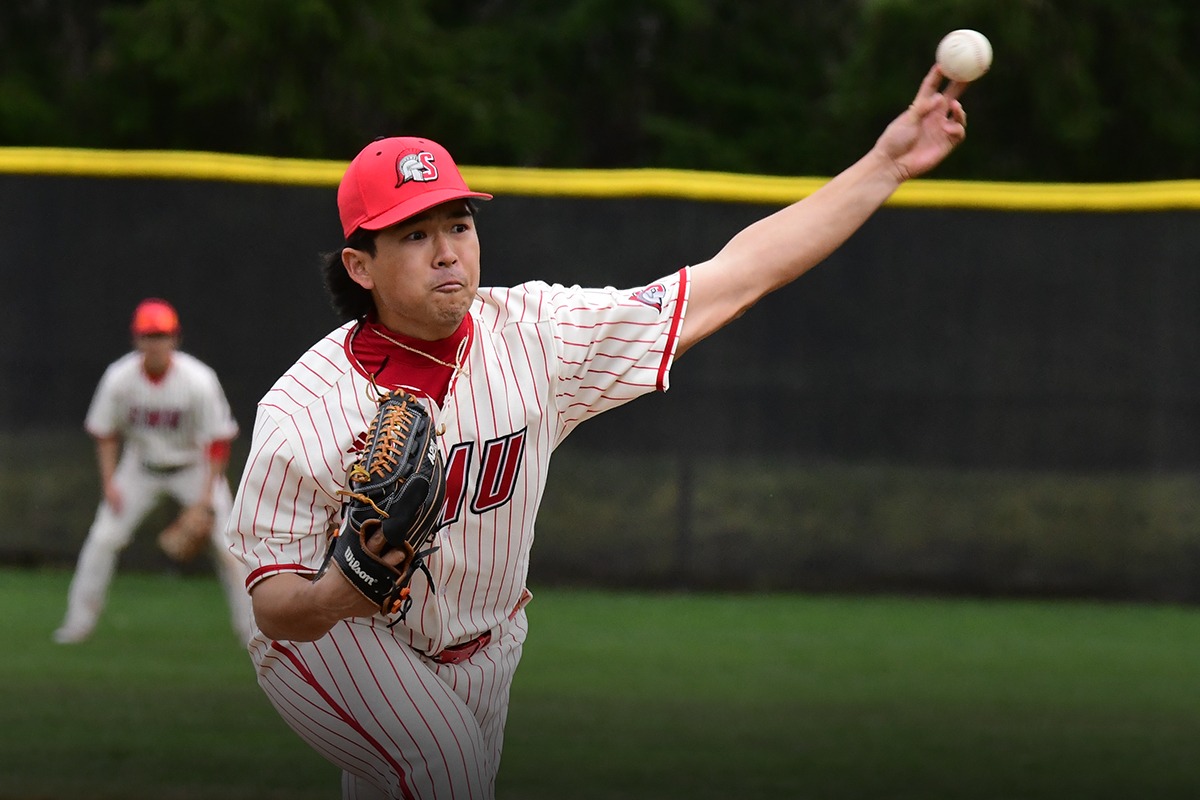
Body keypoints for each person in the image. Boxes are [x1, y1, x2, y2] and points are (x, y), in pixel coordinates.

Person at [228, 65, 971, 797]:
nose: (448, 250)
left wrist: (886, 165)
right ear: (360, 266)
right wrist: (341, 592)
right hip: (336, 641)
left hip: (486, 644)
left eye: (458, 224)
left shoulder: (539, 337)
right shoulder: (305, 410)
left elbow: (736, 277)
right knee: (440, 768)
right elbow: (274, 606)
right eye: (414, 234)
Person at [53, 298, 250, 644]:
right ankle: (78, 623)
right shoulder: (119, 378)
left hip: (194, 467)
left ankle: (252, 629)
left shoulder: (198, 380)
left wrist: (206, 499)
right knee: (103, 539)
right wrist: (110, 483)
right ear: (136, 339)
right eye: (148, 336)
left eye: (161, 335)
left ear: (175, 338)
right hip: (139, 468)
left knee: (229, 546)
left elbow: (218, 441)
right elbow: (105, 433)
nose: (155, 343)